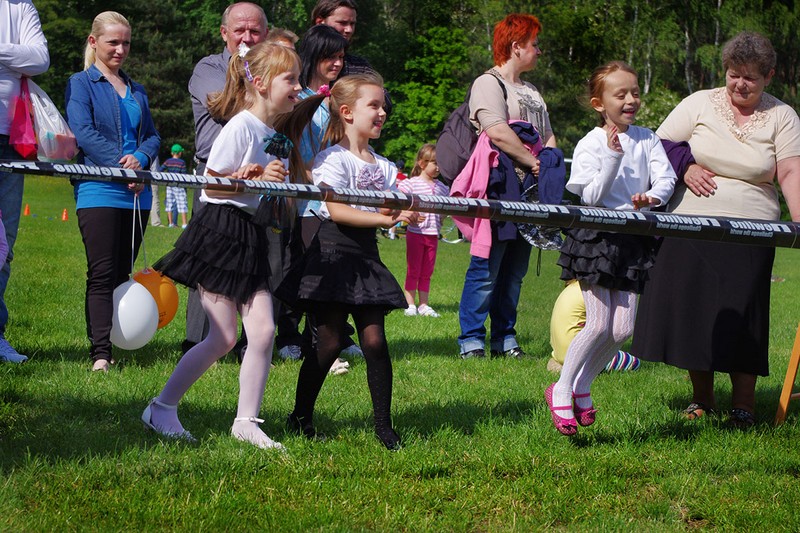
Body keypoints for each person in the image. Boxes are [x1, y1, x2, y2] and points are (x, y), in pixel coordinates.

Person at [632, 32, 800, 428]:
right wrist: (686, 166)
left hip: (752, 231)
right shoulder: (699, 103)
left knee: (745, 313)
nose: (740, 84)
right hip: (692, 227)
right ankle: (702, 399)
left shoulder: (783, 116)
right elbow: (658, 145)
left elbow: (791, 171)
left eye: (750, 77)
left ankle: (744, 405)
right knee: (696, 312)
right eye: (733, 74)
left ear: (769, 76)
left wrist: (799, 223)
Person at [142, 42, 302, 449]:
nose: (298, 87)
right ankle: (161, 408)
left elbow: (257, 186)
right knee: (224, 337)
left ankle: (246, 422)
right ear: (261, 83)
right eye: (291, 79)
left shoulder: (273, 134)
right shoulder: (240, 126)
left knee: (263, 330)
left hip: (250, 233)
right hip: (219, 232)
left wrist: (270, 181)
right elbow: (212, 186)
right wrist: (250, 179)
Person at [276, 73, 419, 450]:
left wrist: (404, 212)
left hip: (365, 256)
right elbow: (338, 211)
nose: (382, 112)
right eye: (374, 105)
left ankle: (384, 427)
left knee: (375, 341)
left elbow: (387, 207)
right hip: (333, 254)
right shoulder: (331, 160)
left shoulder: (384, 166)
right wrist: (386, 219)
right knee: (329, 342)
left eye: (384, 106)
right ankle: (300, 417)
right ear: (347, 112)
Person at [545, 61, 676, 435]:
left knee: (621, 330)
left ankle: (583, 384)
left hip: (633, 239)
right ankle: (562, 388)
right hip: (597, 239)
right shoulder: (590, 143)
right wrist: (613, 157)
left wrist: (652, 197)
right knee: (599, 322)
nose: (631, 100)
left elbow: (666, 178)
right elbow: (591, 197)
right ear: (599, 103)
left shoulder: (647, 138)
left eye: (635, 92)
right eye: (621, 94)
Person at [454, 14, 556, 360]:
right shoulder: (488, 83)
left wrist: (549, 167)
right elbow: (496, 131)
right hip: (499, 186)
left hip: (531, 191)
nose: (538, 51)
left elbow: (548, 136)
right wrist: (534, 162)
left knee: (514, 272)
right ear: (516, 47)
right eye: (534, 44)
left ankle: (504, 339)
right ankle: (471, 341)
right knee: (486, 268)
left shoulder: (533, 91)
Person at [65, 11, 160, 373]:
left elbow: (152, 136)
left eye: (126, 43)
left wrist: (141, 159)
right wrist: (123, 171)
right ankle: (101, 354)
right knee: (102, 273)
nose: (121, 49)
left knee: (123, 272)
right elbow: (83, 132)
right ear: (94, 42)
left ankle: (119, 340)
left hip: (137, 193)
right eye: (113, 42)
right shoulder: (80, 83)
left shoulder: (138, 89)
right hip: (99, 191)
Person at [184, 2, 268, 355]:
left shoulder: (272, 69)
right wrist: (262, 89)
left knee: (252, 260)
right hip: (215, 179)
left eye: (255, 31)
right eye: (239, 30)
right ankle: (197, 342)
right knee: (208, 262)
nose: (247, 38)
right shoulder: (209, 67)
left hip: (259, 179)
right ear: (224, 33)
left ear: (265, 34)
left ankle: (245, 343)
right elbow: (225, 106)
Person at [275, 24, 359, 373]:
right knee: (299, 273)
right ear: (313, 56)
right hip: (303, 201)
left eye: (341, 56)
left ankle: (325, 341)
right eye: (330, 56)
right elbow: (291, 150)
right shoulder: (298, 99)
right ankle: (292, 339)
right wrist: (315, 179)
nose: (337, 63)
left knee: (327, 274)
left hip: (330, 201)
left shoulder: (337, 100)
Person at [0, 0, 49, 363]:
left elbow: (40, 59)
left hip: (11, 139)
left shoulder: (21, 5)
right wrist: (14, 56)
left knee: (4, 245)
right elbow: (26, 57)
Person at [311, 0, 392, 114]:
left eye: (352, 24)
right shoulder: (297, 65)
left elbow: (385, 102)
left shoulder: (359, 66)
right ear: (320, 22)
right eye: (342, 23)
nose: (349, 30)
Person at [548, 279, 641, 374]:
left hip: (558, 353)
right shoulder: (595, 292)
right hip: (576, 353)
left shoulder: (571, 288)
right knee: (634, 361)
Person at [398, 144, 448, 317]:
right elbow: (398, 197)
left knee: (427, 271)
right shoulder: (411, 184)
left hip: (433, 235)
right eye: (435, 163)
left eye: (440, 163)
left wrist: (443, 216)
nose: (438, 168)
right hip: (415, 234)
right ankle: (410, 304)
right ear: (422, 163)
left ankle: (424, 305)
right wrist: (409, 212)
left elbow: (447, 206)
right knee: (414, 270)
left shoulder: (442, 188)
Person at [160, 143, 189, 228]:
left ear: (172, 153)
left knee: (169, 203)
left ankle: (171, 223)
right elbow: (184, 175)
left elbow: (160, 170)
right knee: (182, 204)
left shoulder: (168, 161)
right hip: (179, 185)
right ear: (180, 153)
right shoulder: (182, 162)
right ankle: (184, 224)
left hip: (169, 185)